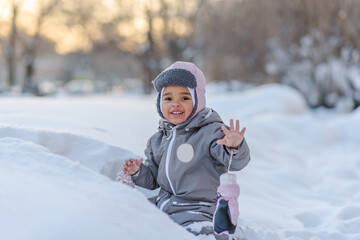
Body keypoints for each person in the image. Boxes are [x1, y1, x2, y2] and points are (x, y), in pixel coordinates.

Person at [122, 61, 251, 236]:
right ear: (159, 103)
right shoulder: (158, 140)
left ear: (198, 101)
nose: (175, 104)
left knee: (192, 233)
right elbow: (153, 180)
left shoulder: (211, 133)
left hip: (200, 209)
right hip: (165, 204)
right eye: (168, 98)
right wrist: (138, 172)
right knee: (134, 217)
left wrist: (235, 145)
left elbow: (236, 163)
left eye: (184, 98)